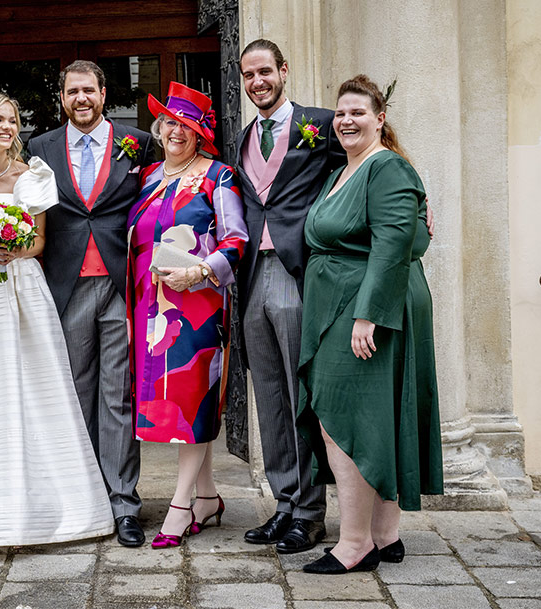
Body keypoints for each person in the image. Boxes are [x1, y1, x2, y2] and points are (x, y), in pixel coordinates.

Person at [0, 91, 114, 547]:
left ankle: (51, 508)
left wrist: (13, 248)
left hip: (23, 288)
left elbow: (41, 243)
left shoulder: (32, 176)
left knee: (34, 389)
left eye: (12, 120)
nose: (8, 128)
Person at [297, 75, 442, 573]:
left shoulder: (388, 169)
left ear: (380, 119)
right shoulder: (343, 169)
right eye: (340, 112)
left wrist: (367, 316)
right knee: (373, 413)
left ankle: (355, 543)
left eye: (358, 111)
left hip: (363, 307)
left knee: (344, 418)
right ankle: (384, 534)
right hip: (340, 301)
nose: (346, 119)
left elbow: (394, 246)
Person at [27, 60, 153, 547]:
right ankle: (83, 498)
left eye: (89, 90)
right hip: (67, 284)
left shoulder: (138, 143)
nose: (82, 98)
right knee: (76, 395)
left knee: (117, 395)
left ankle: (124, 503)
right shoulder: (39, 149)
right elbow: (23, 207)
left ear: (104, 93)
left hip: (121, 285)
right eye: (72, 91)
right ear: (63, 98)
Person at [234, 40, 343, 554]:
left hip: (300, 273)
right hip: (253, 274)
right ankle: (284, 503)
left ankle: (311, 513)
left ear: (284, 70)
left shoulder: (321, 125)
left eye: (265, 72)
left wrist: (417, 202)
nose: (258, 82)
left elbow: (367, 162)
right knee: (270, 395)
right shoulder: (242, 139)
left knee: (302, 397)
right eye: (249, 75)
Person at [127, 82, 247, 548]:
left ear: (200, 134)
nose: (177, 132)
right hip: (149, 305)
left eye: (188, 126)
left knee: (192, 398)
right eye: (171, 123)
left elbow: (235, 239)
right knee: (173, 397)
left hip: (198, 305)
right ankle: (206, 496)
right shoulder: (147, 174)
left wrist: (200, 271)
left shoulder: (219, 177)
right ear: (159, 128)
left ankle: (179, 509)